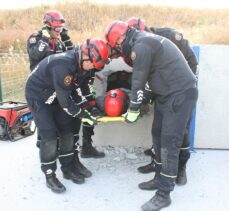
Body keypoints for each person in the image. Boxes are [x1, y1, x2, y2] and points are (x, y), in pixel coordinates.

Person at [105, 20, 198, 210]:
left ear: (121, 39)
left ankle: (164, 194)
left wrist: (133, 109)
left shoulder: (141, 45)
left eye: (116, 46)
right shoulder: (143, 40)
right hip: (166, 94)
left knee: (168, 143)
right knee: (157, 135)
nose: (118, 50)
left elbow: (138, 80)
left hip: (179, 94)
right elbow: (148, 81)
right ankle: (158, 177)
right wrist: (133, 103)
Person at [25, 38, 109, 193]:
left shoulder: (83, 65)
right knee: (49, 136)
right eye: (92, 64)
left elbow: (78, 90)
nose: (92, 68)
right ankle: (50, 175)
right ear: (85, 55)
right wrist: (84, 115)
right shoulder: (62, 65)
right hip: (38, 96)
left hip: (56, 94)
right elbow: (66, 102)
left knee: (67, 132)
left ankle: (68, 168)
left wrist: (88, 108)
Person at [126, 17, 198, 185]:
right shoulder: (144, 45)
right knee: (159, 132)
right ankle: (158, 167)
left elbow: (192, 61)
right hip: (165, 90)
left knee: (179, 133)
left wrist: (188, 84)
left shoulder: (170, 36)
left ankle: (180, 170)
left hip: (182, 89)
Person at [27, 10, 104, 160]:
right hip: (43, 87)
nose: (59, 32)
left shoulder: (60, 42)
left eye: (61, 29)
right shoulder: (36, 38)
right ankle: (47, 152)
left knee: (65, 120)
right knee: (47, 127)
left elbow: (71, 58)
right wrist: (44, 38)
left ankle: (68, 154)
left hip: (60, 85)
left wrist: (66, 38)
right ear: (47, 27)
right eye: (57, 29)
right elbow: (36, 55)